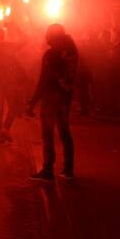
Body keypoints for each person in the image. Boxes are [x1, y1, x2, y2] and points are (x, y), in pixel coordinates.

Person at [27, 24, 78, 181]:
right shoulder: (72, 51)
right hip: (65, 97)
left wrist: (32, 101)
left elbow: (43, 80)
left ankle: (48, 169)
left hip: (50, 99)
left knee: (47, 134)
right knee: (65, 132)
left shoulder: (50, 54)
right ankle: (68, 169)